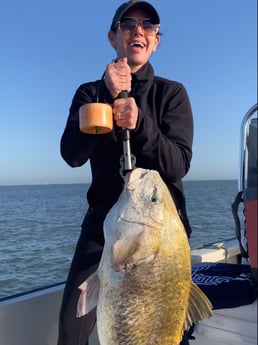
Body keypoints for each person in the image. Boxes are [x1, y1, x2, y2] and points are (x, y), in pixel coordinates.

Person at [57, 1, 193, 344]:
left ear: (156, 40)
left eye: (148, 26)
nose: (139, 30)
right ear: (112, 36)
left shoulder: (171, 94)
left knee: (162, 326)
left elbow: (178, 165)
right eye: (128, 23)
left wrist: (142, 125)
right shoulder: (89, 93)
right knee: (71, 331)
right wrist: (105, 93)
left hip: (161, 236)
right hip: (102, 226)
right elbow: (72, 156)